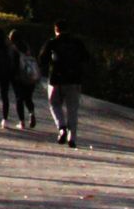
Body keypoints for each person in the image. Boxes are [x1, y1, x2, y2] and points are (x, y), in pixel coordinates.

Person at [38, 20, 91, 148]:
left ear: (56, 30)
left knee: (54, 104)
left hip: (56, 79)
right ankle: (72, 137)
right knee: (72, 109)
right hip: (74, 79)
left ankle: (61, 128)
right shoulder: (77, 43)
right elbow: (86, 58)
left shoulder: (52, 43)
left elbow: (41, 59)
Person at [11, 34, 40, 129]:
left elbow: (13, 64)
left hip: (19, 78)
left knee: (19, 98)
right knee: (28, 97)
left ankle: (22, 122)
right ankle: (31, 113)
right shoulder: (29, 48)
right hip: (30, 76)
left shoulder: (14, 49)